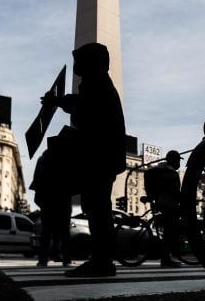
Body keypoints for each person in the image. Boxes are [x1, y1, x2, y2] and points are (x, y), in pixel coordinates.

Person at [42, 43, 127, 277]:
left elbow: (85, 106)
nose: (76, 65)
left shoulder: (96, 81)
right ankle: (102, 259)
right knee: (97, 206)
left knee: (98, 207)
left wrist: (58, 102)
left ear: (91, 62)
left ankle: (102, 261)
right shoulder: (98, 81)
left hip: (101, 154)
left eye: (79, 60)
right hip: (103, 154)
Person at [29, 135, 71, 267]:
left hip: (47, 199)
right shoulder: (64, 160)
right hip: (62, 199)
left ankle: (43, 259)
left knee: (47, 231)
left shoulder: (43, 159)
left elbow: (37, 179)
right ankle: (65, 257)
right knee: (63, 231)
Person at [144, 150, 184, 267]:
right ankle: (166, 259)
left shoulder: (159, 170)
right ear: (173, 160)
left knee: (168, 231)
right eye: (177, 160)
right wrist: (183, 199)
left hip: (160, 202)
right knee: (169, 232)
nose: (179, 163)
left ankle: (166, 257)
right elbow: (174, 191)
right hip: (168, 204)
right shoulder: (171, 173)